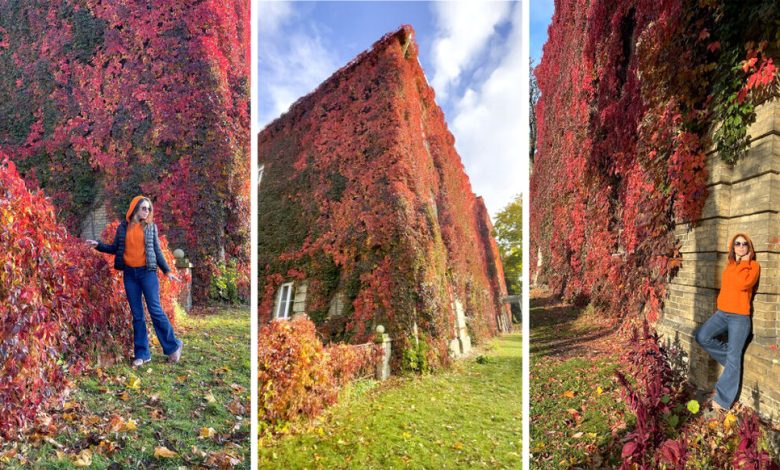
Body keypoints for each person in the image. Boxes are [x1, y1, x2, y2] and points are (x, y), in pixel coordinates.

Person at [87, 196, 183, 367]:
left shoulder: (150, 228)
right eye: (144, 208)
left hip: (148, 274)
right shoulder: (123, 228)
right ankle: (142, 354)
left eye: (148, 209)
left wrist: (167, 270)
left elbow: (157, 251)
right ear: (134, 208)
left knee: (155, 310)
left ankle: (173, 346)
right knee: (137, 315)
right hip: (130, 275)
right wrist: (98, 245)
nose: (147, 212)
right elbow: (115, 249)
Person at [694, 233, 759, 411]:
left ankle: (722, 400)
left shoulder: (753, 266)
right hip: (722, 314)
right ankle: (733, 364)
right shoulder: (730, 267)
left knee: (733, 357)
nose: (741, 246)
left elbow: (742, 284)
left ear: (749, 248)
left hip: (740, 317)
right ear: (733, 247)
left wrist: (745, 262)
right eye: (737, 244)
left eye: (745, 244)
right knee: (701, 336)